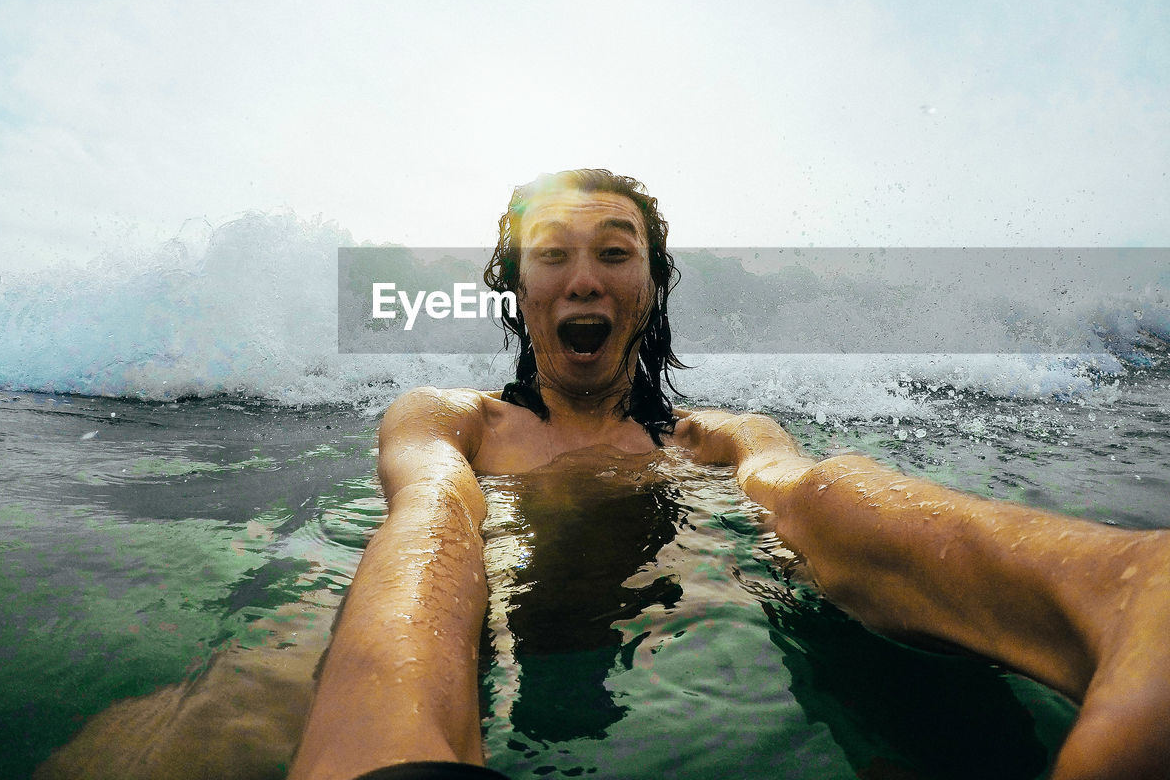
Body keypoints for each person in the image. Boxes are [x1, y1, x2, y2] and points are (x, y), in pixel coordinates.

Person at [287, 169, 1170, 780]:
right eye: (552, 253)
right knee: (232, 713)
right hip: (464, 625)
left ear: (652, 285)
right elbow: (432, 517)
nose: (584, 278)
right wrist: (384, 728)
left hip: (683, 633)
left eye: (616, 252)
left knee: (817, 500)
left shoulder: (702, 438)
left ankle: (1118, 587)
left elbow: (799, 494)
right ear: (517, 286)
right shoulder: (456, 419)